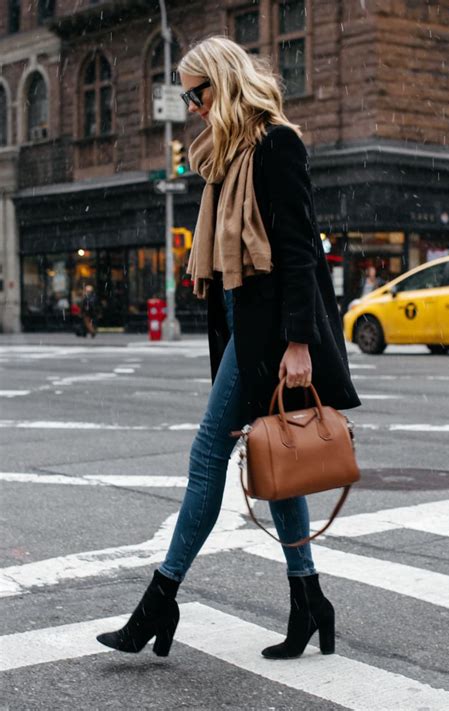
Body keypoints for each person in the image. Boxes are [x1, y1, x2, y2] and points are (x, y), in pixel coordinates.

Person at [97, 36, 360, 660]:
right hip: (247, 328)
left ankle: (160, 601)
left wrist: (299, 342)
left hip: (272, 335)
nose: (191, 104)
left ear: (223, 81)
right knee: (280, 463)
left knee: (207, 452)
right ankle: (309, 601)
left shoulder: (276, 145)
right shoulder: (221, 157)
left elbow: (299, 251)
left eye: (197, 91)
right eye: (186, 94)